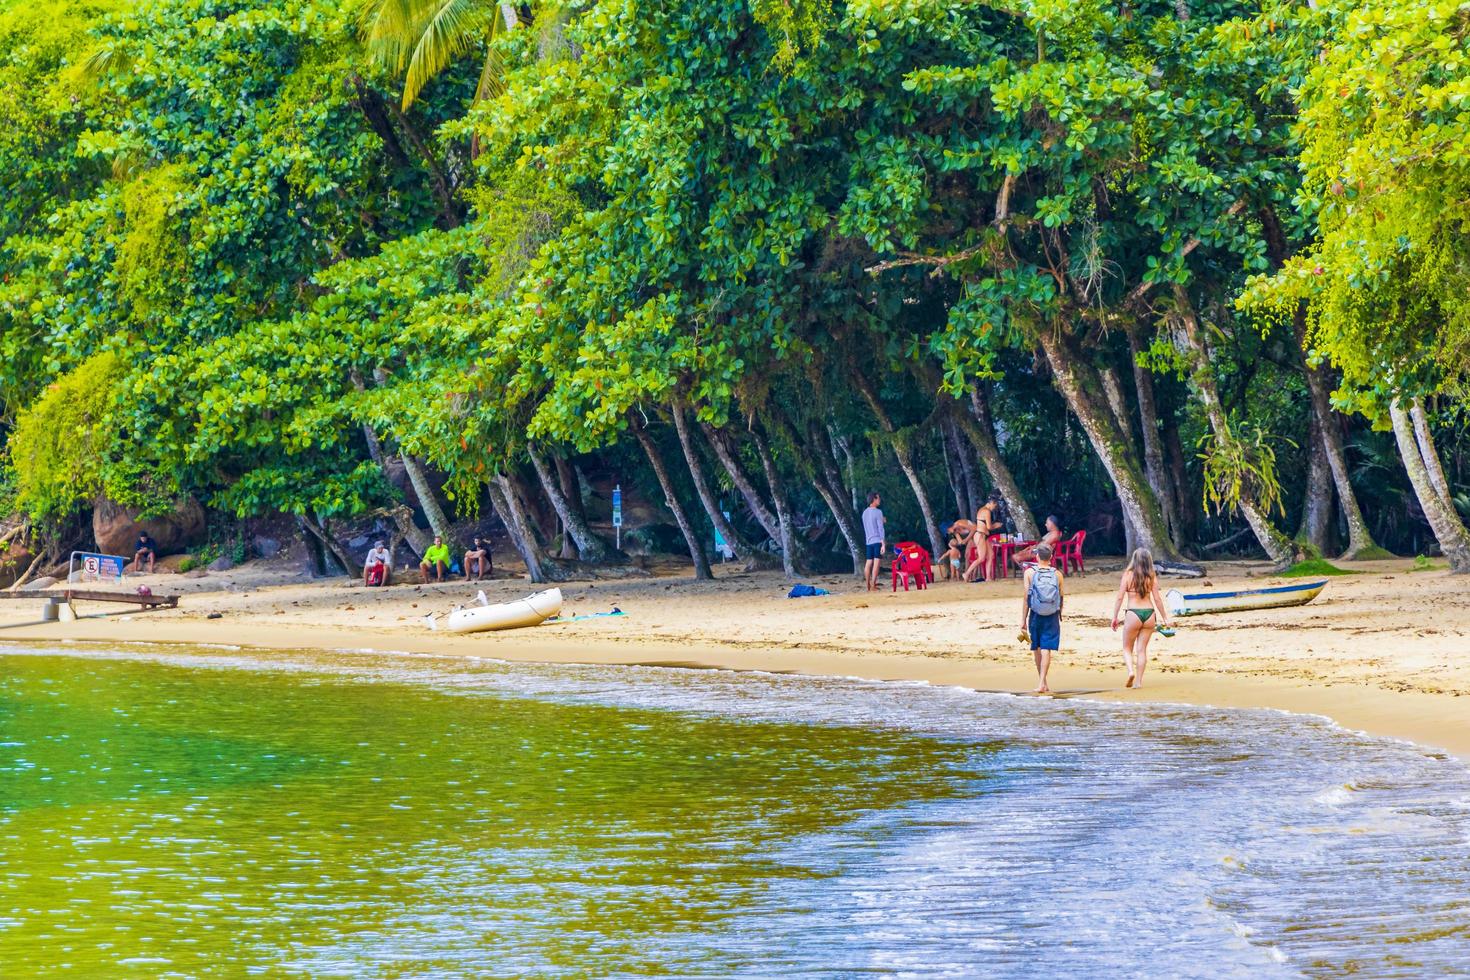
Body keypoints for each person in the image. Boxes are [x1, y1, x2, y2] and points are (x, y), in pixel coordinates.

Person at [1111, 548, 1173, 689]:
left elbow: (1120, 597)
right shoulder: (1151, 576)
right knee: (1141, 650)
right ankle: (1138, 682)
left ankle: (1131, 672)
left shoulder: (1127, 575)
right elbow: (1157, 599)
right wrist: (1165, 618)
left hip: (1133, 613)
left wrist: (1114, 617)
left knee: (1127, 648)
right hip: (1149, 614)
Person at [1019, 542, 1065, 693]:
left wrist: (1023, 620)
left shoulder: (1029, 573)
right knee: (1046, 649)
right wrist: (1060, 614)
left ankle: (1042, 682)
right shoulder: (1057, 574)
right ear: (1051, 557)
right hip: (1052, 615)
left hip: (1036, 614)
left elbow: (1027, 598)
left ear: (1037, 556)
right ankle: (1042, 683)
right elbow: (1061, 596)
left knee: (1037, 648)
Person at [964, 491, 1002, 582]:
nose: (995, 508)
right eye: (995, 505)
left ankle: (988, 577)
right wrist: (996, 525)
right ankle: (966, 573)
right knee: (981, 558)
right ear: (992, 503)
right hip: (980, 535)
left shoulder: (982, 509)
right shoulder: (986, 511)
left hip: (983, 536)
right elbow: (989, 527)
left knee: (991, 555)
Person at [861, 491, 885, 592]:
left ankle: (867, 585)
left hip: (868, 541)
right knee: (876, 563)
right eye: (878, 498)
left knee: (868, 563)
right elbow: (880, 528)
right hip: (877, 541)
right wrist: (883, 543)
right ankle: (873, 585)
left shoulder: (864, 513)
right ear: (874, 499)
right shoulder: (878, 512)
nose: (879, 500)